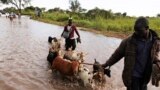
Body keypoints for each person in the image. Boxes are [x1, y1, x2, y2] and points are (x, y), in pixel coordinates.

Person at [102, 17, 160, 90]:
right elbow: (117, 54)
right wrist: (107, 64)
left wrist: (157, 62)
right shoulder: (128, 41)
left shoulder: (155, 41)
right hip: (132, 76)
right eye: (136, 31)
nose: (137, 33)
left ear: (147, 28)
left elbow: (155, 55)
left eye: (139, 31)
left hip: (145, 75)